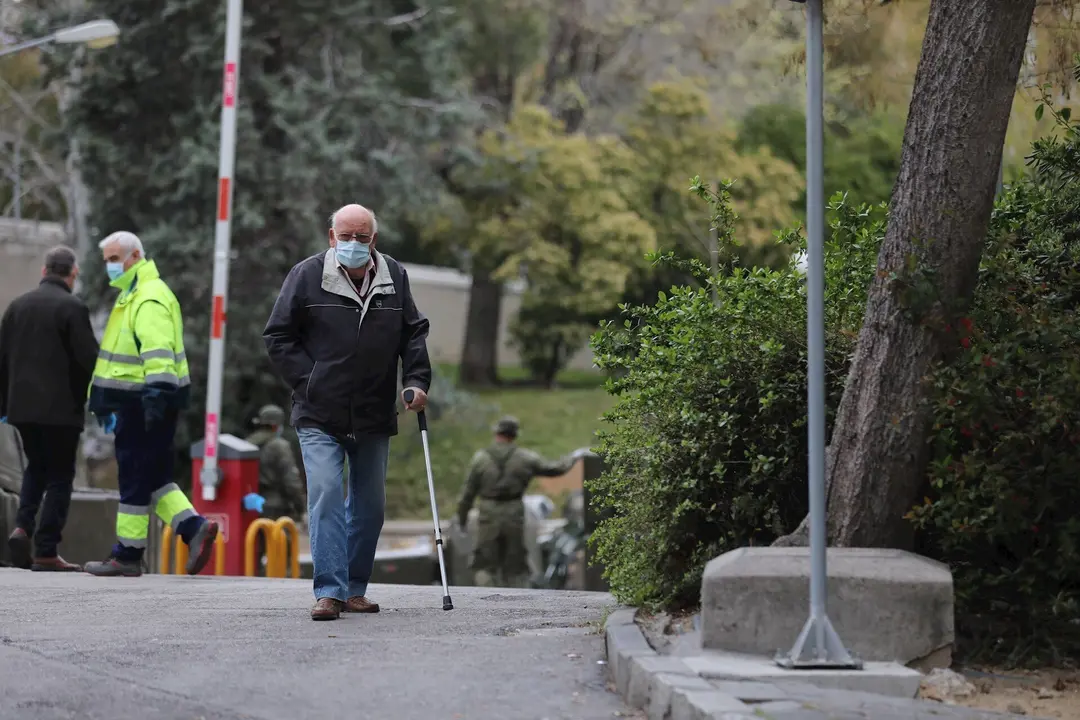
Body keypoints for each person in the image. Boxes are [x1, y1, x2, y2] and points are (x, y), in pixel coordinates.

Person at [264, 203, 431, 621]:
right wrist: (310, 381)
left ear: (374, 239)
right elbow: (278, 335)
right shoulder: (306, 275)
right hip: (319, 411)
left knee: (370, 506)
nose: (353, 243)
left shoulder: (393, 276)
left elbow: (413, 332)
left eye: (361, 236)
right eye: (345, 236)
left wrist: (416, 380)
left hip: (373, 410)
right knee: (325, 495)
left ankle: (354, 588)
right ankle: (329, 591)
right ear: (331, 237)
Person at [82, 231, 219, 577]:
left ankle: (128, 554)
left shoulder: (148, 297)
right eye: (107, 261)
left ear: (135, 256)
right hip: (140, 402)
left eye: (115, 259)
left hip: (143, 403)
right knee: (154, 477)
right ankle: (194, 528)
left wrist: (155, 400)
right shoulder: (134, 295)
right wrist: (104, 401)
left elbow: (158, 355)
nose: (110, 267)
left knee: (133, 476)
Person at [0, 246, 99, 571]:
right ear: (72, 275)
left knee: (36, 467)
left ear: (44, 271)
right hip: (61, 411)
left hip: (21, 410)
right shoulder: (73, 308)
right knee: (60, 475)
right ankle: (46, 548)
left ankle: (22, 526)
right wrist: (93, 399)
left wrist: (4, 404)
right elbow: (88, 360)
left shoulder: (16, 307)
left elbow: (2, 360)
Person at [456, 416, 577, 588]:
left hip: (488, 514)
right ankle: (517, 598)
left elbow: (467, 494)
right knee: (516, 565)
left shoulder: (480, 459)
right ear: (514, 435)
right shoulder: (525, 458)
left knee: (486, 564)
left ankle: (486, 598)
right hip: (513, 512)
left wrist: (461, 520)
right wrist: (572, 458)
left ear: (496, 433)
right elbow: (555, 469)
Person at [245, 404, 305, 521]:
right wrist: (300, 508)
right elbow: (291, 482)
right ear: (276, 425)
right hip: (275, 508)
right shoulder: (279, 446)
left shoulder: (246, 443)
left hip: (250, 504)